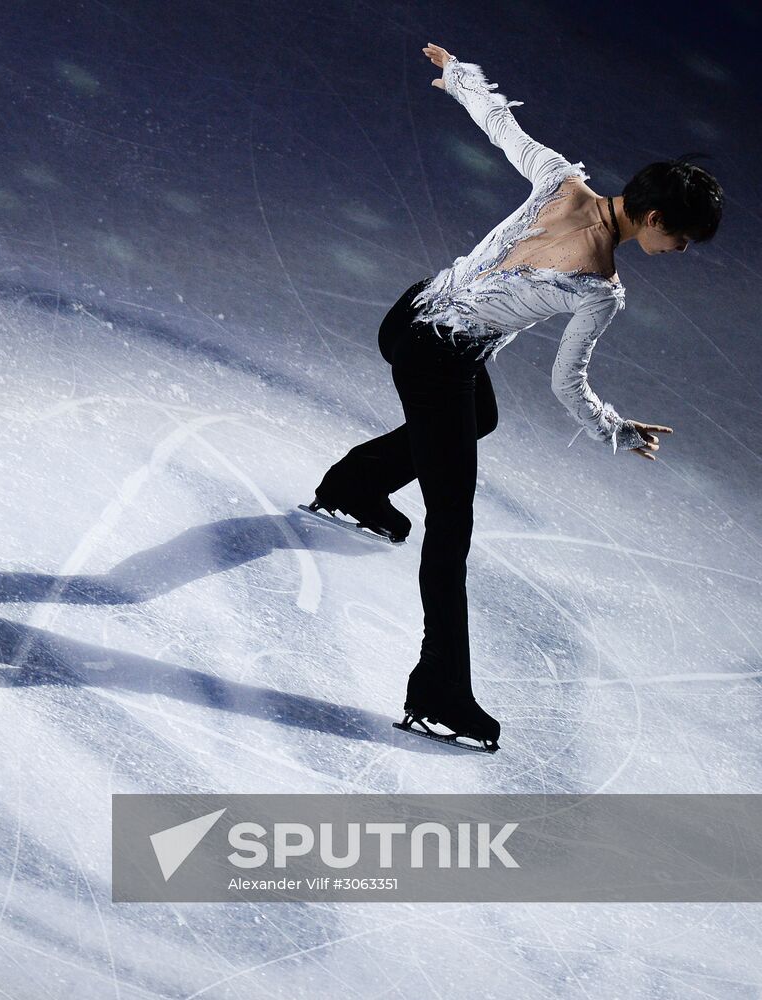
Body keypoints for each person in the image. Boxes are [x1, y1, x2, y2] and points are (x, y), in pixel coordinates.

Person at [310, 43, 723, 751]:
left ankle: (355, 481)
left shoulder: (562, 180)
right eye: (680, 236)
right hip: (434, 363)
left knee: (483, 416)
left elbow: (498, 123)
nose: (680, 249)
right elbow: (567, 384)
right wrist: (613, 429)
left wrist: (457, 76)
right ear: (652, 218)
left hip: (407, 314)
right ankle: (439, 690)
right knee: (451, 528)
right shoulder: (598, 288)